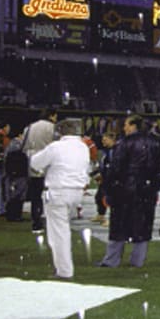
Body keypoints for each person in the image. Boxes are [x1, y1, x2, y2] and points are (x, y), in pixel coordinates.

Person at [97, 115, 160, 268]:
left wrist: (108, 188)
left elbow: (116, 168)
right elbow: (159, 170)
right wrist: (154, 188)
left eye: (127, 125)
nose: (124, 128)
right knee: (143, 226)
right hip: (146, 191)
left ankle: (111, 260)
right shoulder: (155, 143)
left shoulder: (124, 143)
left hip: (124, 190)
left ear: (134, 126)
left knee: (118, 226)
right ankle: (137, 261)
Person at [29, 119, 91, 279]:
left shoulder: (56, 147)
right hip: (77, 192)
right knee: (64, 230)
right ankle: (64, 268)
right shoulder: (83, 147)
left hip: (59, 191)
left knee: (59, 234)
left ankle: (64, 271)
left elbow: (35, 163)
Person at [24, 108, 58, 233]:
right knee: (52, 194)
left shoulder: (29, 127)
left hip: (34, 163)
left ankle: (36, 222)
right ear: (51, 116)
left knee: (35, 195)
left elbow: (25, 146)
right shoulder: (53, 128)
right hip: (49, 163)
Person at [92, 131, 117, 226]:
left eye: (105, 140)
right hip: (105, 179)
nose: (103, 142)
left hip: (111, 180)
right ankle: (101, 215)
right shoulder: (106, 151)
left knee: (111, 200)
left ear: (112, 140)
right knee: (99, 197)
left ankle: (113, 219)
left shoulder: (115, 151)